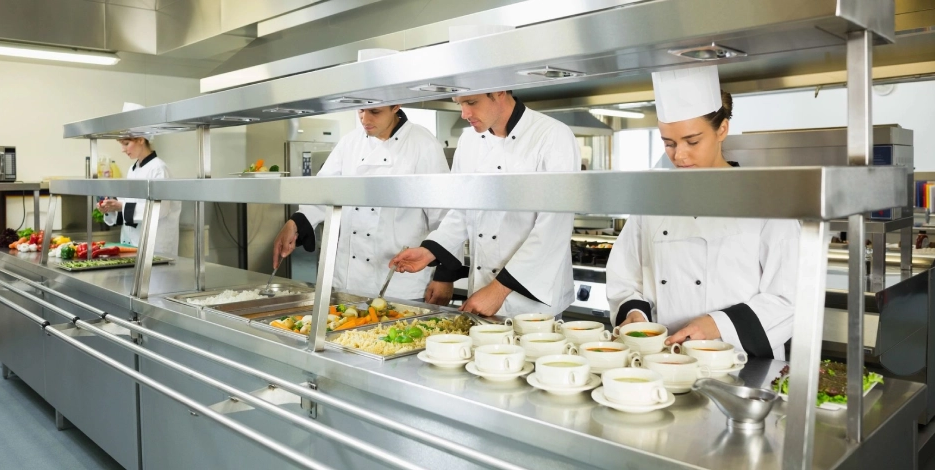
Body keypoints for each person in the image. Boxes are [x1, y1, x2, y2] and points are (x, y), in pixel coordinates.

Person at [605, 66, 800, 360]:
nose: (679, 155)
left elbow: (789, 298)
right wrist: (635, 313)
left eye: (692, 141)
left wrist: (715, 325)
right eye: (668, 143)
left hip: (739, 365)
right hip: (664, 362)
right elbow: (625, 276)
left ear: (722, 129)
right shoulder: (654, 202)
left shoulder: (768, 202)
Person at [390, 91, 580, 316]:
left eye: (471, 102)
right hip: (482, 289)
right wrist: (430, 251)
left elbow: (553, 228)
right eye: (460, 104)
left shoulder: (552, 136)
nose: (464, 114)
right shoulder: (469, 140)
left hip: (533, 301)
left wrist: (498, 290)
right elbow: (461, 210)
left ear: (499, 92)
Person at [272, 105, 449, 300]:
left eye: (375, 112)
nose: (365, 119)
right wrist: (295, 223)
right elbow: (324, 191)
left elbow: (443, 217)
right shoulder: (350, 142)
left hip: (399, 284)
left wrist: (444, 276)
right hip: (347, 281)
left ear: (395, 107)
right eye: (361, 111)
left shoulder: (423, 144)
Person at [97, 103, 181, 256]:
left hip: (155, 246)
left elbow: (161, 209)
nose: (123, 149)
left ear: (141, 139)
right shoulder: (133, 169)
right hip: (132, 243)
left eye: (126, 143)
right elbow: (129, 203)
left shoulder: (159, 169)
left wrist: (121, 206)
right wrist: (111, 208)